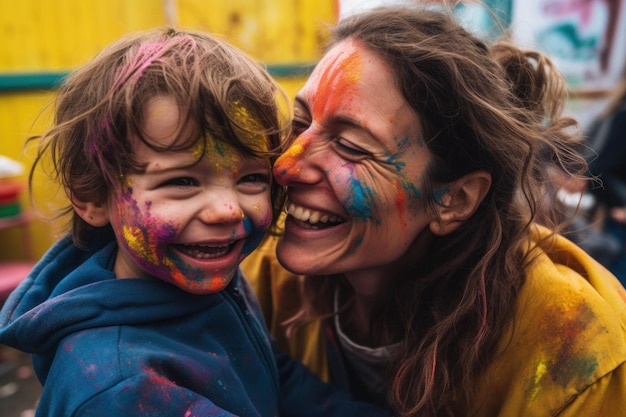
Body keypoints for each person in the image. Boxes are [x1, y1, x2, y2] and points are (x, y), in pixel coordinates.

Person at [241, 5, 626, 417]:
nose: (285, 167)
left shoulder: (574, 353)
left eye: (351, 147)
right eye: (300, 123)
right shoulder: (261, 278)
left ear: (454, 200)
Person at [0, 28, 389, 417]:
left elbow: (271, 375)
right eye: (182, 181)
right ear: (92, 198)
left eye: (251, 178)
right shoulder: (123, 387)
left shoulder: (206, 280)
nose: (228, 210)